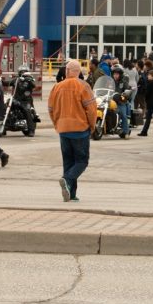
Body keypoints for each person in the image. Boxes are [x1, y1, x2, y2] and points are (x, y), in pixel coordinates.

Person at [48, 60, 95, 202]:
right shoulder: (83, 86)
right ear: (79, 72)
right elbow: (91, 110)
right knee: (81, 161)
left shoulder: (57, 87)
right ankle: (67, 179)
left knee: (68, 162)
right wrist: (92, 126)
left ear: (67, 71)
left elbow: (51, 109)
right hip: (80, 129)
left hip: (63, 129)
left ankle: (71, 193)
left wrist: (57, 123)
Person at [111, 66, 133, 139]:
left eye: (117, 74)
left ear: (120, 75)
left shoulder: (123, 82)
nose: (115, 75)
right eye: (114, 74)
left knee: (123, 115)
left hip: (121, 102)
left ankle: (126, 132)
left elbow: (127, 91)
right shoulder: (111, 82)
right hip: (111, 101)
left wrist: (124, 94)